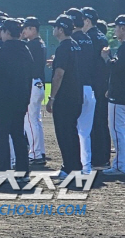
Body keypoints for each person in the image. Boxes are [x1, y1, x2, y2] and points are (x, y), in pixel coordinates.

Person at [0, 19, 32, 179]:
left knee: (1, 136)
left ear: (6, 32)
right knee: (18, 135)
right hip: (20, 100)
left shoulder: (0, 51)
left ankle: (2, 170)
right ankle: (23, 170)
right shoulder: (26, 51)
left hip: (1, 101)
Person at [46, 15, 83, 179]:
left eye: (55, 27)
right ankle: (75, 165)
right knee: (72, 132)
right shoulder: (75, 45)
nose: (54, 29)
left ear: (61, 29)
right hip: (76, 95)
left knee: (64, 132)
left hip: (65, 97)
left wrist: (52, 98)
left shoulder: (62, 48)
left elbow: (59, 75)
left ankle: (68, 167)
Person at [65, 7, 96, 175]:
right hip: (89, 88)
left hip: (76, 88)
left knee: (71, 130)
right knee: (85, 131)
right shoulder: (88, 38)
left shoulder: (72, 40)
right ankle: (87, 166)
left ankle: (74, 166)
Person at [83, 7, 111, 170]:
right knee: (100, 121)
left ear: (87, 20)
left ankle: (98, 159)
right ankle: (102, 158)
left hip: (95, 85)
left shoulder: (92, 37)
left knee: (95, 122)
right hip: (101, 85)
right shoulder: (100, 35)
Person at [21, 17, 47, 166]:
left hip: (32, 83)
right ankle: (39, 151)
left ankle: (36, 153)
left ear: (33, 29)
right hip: (39, 84)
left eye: (27, 28)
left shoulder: (32, 45)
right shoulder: (40, 43)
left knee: (30, 120)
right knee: (35, 120)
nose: (24, 31)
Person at [102, 15, 125, 175]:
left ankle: (120, 165)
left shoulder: (123, 47)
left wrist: (107, 58)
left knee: (118, 131)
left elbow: (118, 69)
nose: (114, 30)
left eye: (116, 27)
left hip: (120, 96)